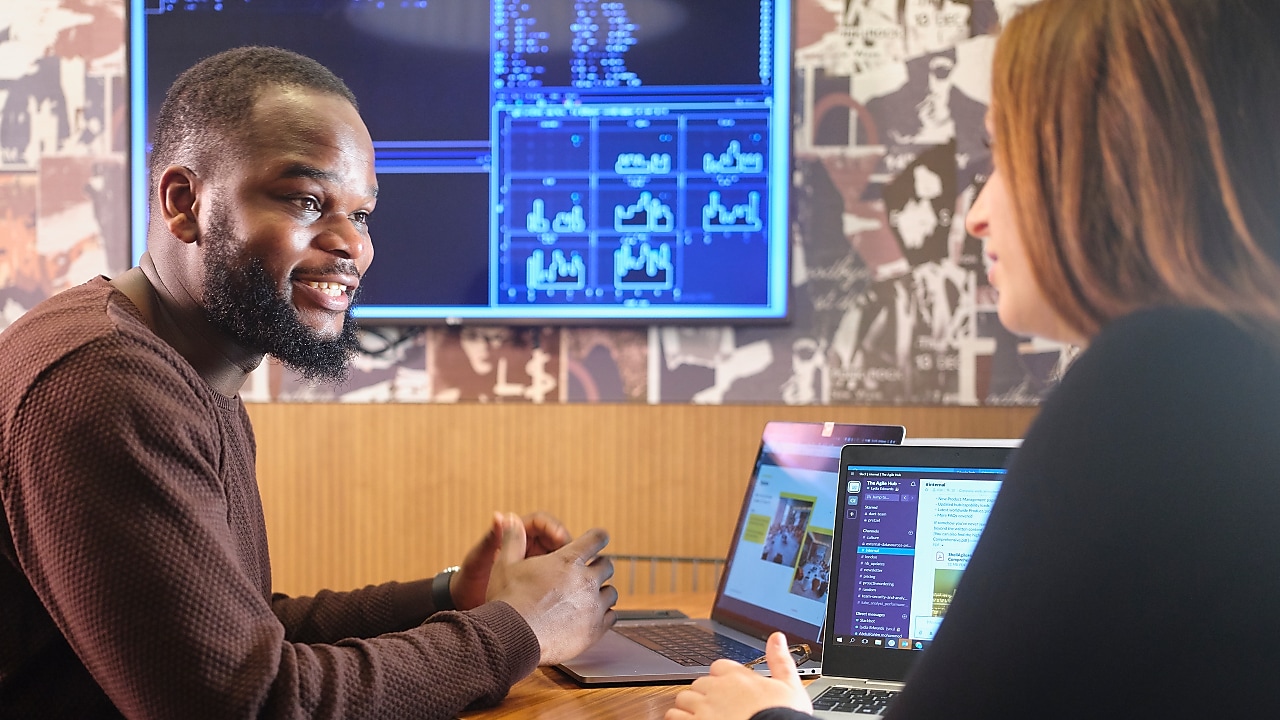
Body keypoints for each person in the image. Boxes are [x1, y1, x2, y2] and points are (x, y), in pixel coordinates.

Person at [667, 0, 1280, 718]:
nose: (975, 214)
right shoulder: (1233, 370)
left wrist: (761, 717)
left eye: (1003, 160)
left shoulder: (1155, 381)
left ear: (1104, 167)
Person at [0, 46, 617, 718]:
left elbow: (243, 632)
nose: (352, 245)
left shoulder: (182, 362)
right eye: (306, 200)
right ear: (185, 203)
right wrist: (521, 629)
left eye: (362, 214)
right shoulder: (108, 382)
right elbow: (248, 701)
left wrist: (447, 598)